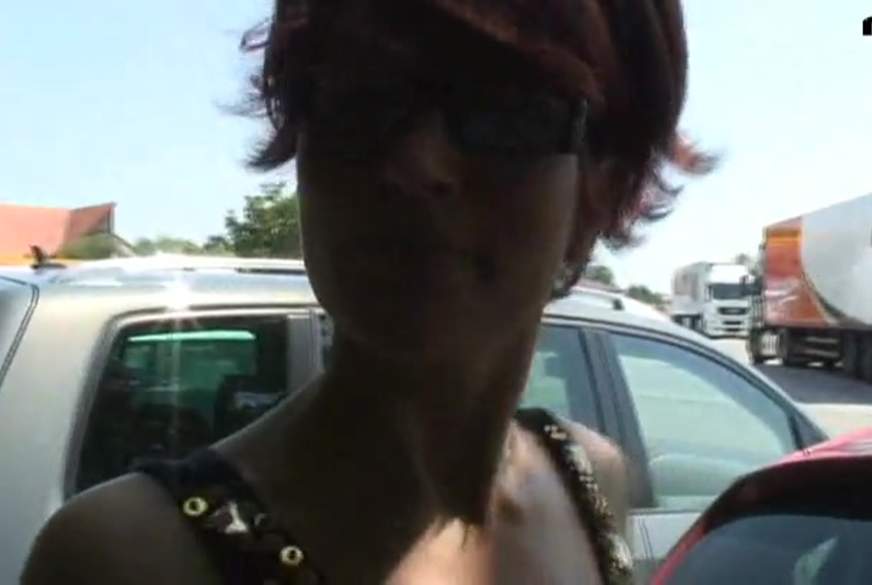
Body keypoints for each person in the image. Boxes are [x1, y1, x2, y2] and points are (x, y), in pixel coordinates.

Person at [22, 0, 710, 583]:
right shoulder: (128, 558)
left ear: (602, 186)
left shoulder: (589, 481)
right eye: (359, 94)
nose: (416, 161)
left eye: (505, 109)